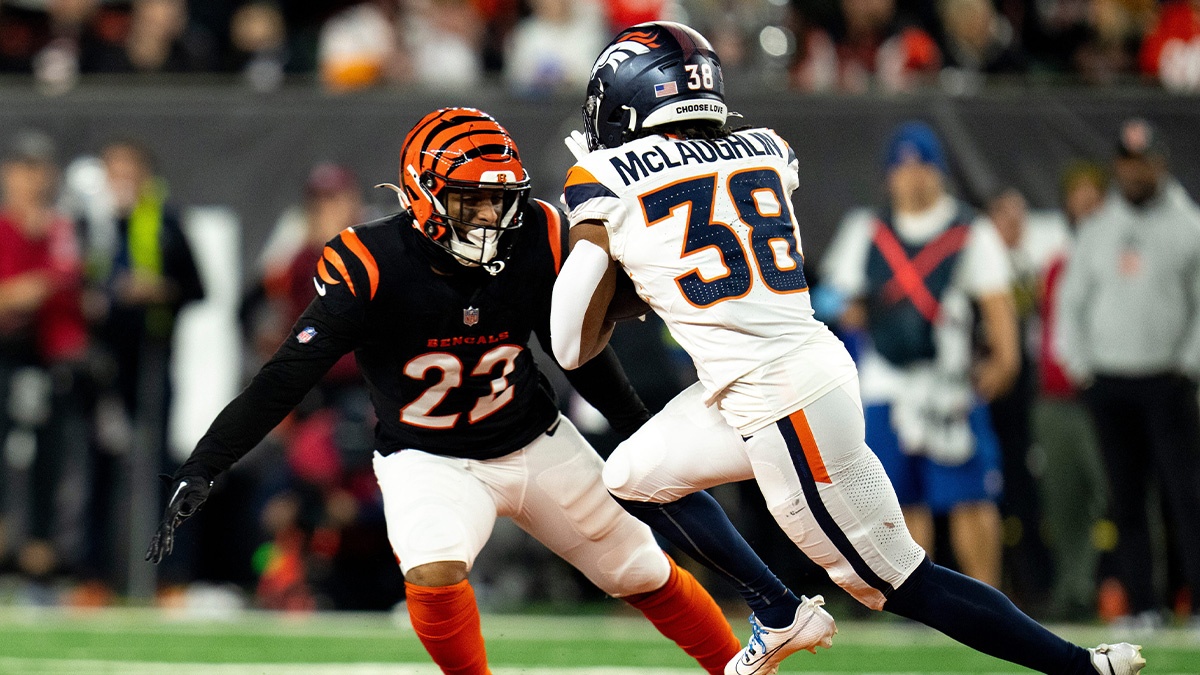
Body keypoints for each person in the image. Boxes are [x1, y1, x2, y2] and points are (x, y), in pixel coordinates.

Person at [550, 20, 1145, 675]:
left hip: (782, 401)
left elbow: (568, 340)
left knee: (898, 581)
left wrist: (616, 281)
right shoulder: (768, 148)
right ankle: (778, 611)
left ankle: (1080, 665)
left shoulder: (604, 175)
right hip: (770, 379)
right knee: (631, 474)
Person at [144, 107, 742, 675]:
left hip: (535, 441)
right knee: (433, 570)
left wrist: (639, 431)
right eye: (470, 198)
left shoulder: (539, 232)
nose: (489, 215)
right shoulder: (368, 261)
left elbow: (577, 353)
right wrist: (206, 464)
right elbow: (285, 378)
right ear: (420, 196)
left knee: (641, 572)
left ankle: (734, 666)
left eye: (498, 198)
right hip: (426, 457)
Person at [822, 121, 1017, 590]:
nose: (912, 178)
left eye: (922, 166)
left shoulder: (969, 231)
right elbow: (831, 299)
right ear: (889, 175)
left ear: (940, 172)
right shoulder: (866, 229)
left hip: (947, 385)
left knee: (969, 498)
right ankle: (918, 603)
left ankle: (989, 600)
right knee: (898, 501)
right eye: (903, 168)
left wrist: (1005, 359)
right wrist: (850, 309)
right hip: (885, 380)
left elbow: (996, 301)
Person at [1055, 117, 1200, 629]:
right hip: (1110, 381)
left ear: (1160, 163)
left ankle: (1195, 601)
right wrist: (1081, 364)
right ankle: (1143, 605)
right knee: (1126, 496)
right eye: (1127, 163)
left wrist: (1189, 362)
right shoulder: (1098, 228)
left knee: (1184, 496)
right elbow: (1071, 303)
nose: (1134, 172)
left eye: (1143, 162)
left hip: (1168, 378)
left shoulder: (1188, 224)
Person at [1034, 161, 1109, 621]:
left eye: (1092, 193)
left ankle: (1146, 592)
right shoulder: (1057, 257)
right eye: (1075, 193)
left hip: (1102, 397)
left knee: (1121, 494)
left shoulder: (1117, 254)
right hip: (1054, 398)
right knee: (1064, 506)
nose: (1083, 203)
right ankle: (1073, 592)